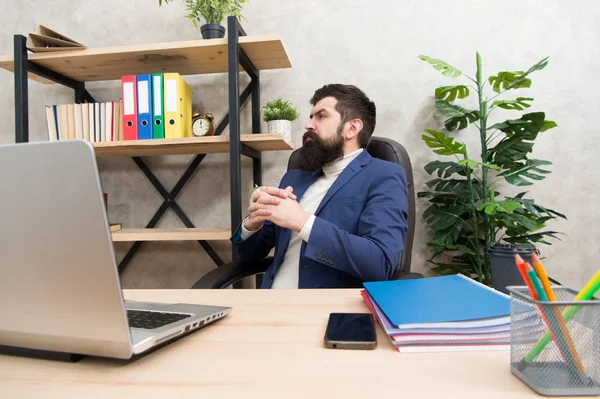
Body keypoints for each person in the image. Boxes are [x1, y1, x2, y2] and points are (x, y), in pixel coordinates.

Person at [232, 84, 409, 288]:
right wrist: (252, 225)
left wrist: (303, 221)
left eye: (321, 116)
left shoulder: (384, 175)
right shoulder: (294, 178)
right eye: (310, 117)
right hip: (270, 303)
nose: (308, 125)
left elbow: (379, 264)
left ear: (352, 128)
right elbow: (245, 257)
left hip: (328, 311)